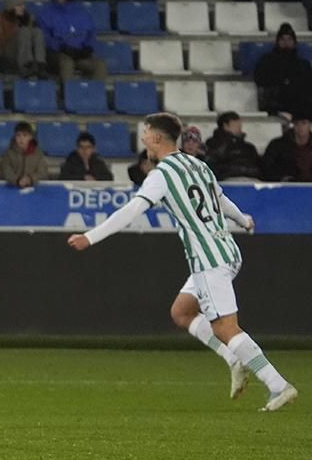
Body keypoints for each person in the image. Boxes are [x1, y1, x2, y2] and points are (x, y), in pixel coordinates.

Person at [68, 112, 297, 412]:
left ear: (157, 138)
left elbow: (131, 211)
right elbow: (221, 200)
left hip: (208, 258)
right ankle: (233, 358)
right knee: (182, 312)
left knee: (226, 328)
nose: (143, 137)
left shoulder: (161, 175)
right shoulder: (197, 164)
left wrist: (90, 237)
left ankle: (277, 384)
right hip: (226, 249)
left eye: (146, 132)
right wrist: (243, 219)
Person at [38, 0, 108, 81]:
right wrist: (61, 47)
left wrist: (88, 47)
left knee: (100, 65)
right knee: (67, 64)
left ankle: (96, 95)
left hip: (80, 53)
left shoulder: (81, 11)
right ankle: (66, 94)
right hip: (59, 53)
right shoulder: (45, 13)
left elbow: (91, 32)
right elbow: (45, 37)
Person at [254, 23, 312, 116]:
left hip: (298, 105)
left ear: (294, 42)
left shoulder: (303, 64)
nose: (286, 43)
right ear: (277, 42)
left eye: (289, 39)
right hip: (274, 103)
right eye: (283, 39)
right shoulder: (267, 61)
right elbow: (260, 79)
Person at [0, 0, 47, 79]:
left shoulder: (27, 17)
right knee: (23, 31)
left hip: (26, 50)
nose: (23, 7)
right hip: (8, 54)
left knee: (37, 31)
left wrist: (29, 24)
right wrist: (15, 29)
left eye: (23, 4)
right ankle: (26, 65)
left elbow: (33, 37)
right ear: (10, 7)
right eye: (19, 5)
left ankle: (40, 64)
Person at [206, 111, 262, 180]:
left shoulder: (249, 147)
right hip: (226, 181)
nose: (240, 129)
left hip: (251, 180)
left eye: (240, 126)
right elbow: (213, 166)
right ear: (225, 126)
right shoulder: (214, 144)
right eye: (236, 126)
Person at [261, 111, 312, 181]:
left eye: (304, 123)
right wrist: (281, 178)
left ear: (310, 125)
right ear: (293, 125)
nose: (300, 127)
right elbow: (265, 167)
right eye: (297, 124)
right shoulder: (277, 145)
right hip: (286, 187)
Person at [0, 121, 49, 187]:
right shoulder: (8, 154)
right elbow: (6, 171)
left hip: (34, 190)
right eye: (18, 135)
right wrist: (17, 180)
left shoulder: (39, 154)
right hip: (11, 190)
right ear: (15, 136)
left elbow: (42, 172)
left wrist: (30, 179)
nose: (21, 138)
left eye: (25, 135)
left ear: (30, 137)